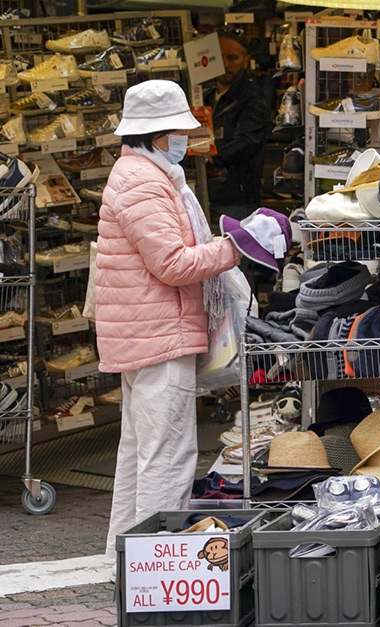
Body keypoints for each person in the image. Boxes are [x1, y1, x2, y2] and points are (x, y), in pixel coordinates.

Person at [96, 80, 243, 561]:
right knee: (168, 456)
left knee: (140, 454)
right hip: (158, 332)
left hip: (145, 332)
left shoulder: (144, 174)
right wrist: (234, 248)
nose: (186, 139)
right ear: (158, 136)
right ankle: (153, 565)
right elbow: (174, 264)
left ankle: (125, 560)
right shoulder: (144, 181)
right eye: (179, 131)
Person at [205, 29, 270, 219]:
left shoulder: (253, 99)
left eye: (232, 58)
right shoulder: (207, 96)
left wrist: (211, 158)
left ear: (245, 59)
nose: (225, 64)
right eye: (219, 57)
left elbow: (247, 141)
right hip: (208, 192)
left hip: (237, 199)